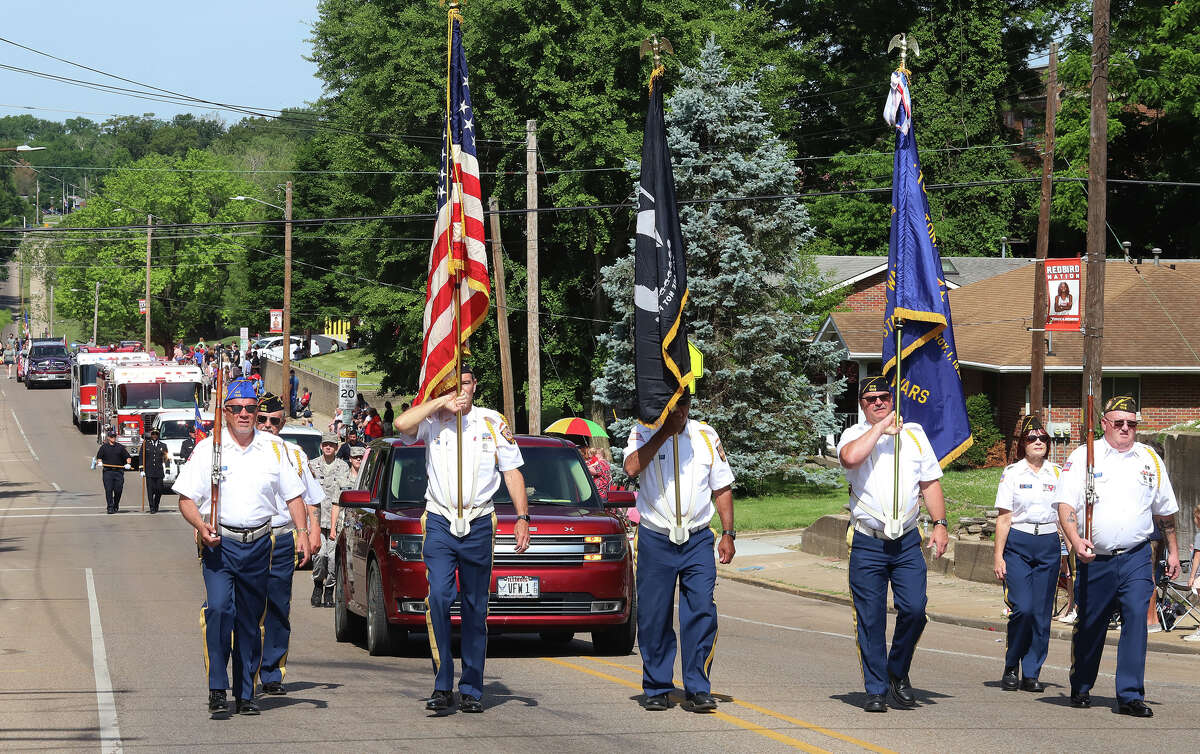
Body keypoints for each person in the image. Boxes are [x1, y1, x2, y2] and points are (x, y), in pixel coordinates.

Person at [393, 366, 530, 714]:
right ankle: (442, 682)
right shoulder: (433, 419)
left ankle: (471, 687)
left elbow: (512, 471)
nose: (461, 390)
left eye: (466, 383)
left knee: (474, 607)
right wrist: (439, 400)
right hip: (439, 519)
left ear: (475, 385)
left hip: (480, 520)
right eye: (454, 385)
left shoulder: (491, 421)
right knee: (438, 596)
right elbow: (401, 425)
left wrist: (522, 518)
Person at [173, 379, 314, 716]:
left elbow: (294, 495)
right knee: (221, 611)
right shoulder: (210, 448)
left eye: (251, 409)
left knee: (250, 621)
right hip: (220, 544)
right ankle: (218, 689)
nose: (245, 415)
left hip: (258, 544)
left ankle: (246, 691)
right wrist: (200, 525)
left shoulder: (273, 448)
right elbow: (186, 499)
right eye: (237, 409)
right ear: (226, 412)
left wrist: (303, 532)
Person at [1054, 395, 1179, 717]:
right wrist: (1075, 539)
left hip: (1136, 556)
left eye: (1132, 424)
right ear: (1106, 424)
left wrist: (1174, 552)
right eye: (1120, 422)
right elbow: (1065, 505)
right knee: (1092, 624)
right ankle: (1081, 684)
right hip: (1096, 559)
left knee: (1137, 619)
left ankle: (1130, 694)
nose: (1126, 429)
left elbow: (1165, 512)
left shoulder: (1149, 458)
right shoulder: (1085, 456)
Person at [837, 375, 949, 713]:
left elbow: (929, 483)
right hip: (868, 542)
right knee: (870, 619)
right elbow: (850, 459)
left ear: (892, 399)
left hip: (905, 542)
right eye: (871, 400)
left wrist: (941, 524)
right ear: (862, 405)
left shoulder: (913, 436)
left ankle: (897, 670)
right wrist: (880, 429)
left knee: (914, 609)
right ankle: (875, 688)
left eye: (884, 397)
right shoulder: (855, 434)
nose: (878, 403)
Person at [622, 390, 735, 713]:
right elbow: (631, 467)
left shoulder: (705, 435)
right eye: (675, 405)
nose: (681, 411)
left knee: (701, 611)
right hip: (656, 537)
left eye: (685, 404)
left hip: (698, 538)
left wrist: (728, 533)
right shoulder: (642, 431)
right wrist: (663, 433)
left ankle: (698, 687)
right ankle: (657, 686)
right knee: (654, 615)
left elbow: (722, 487)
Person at [250, 392, 323, 695]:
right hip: (250, 537)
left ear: (282, 422)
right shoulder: (242, 450)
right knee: (248, 607)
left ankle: (272, 673)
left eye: (274, 421)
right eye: (262, 419)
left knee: (278, 606)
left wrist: (314, 531)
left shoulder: (294, 454)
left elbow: (311, 498)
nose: (268, 425)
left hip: (281, 537)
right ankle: (247, 671)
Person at [992, 415, 1061, 692]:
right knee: (1023, 608)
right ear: (1023, 443)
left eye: (1043, 439)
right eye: (1032, 438)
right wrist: (998, 556)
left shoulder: (1057, 474)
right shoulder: (1012, 473)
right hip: (1018, 543)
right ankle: (1012, 664)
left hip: (1047, 543)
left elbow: (1064, 516)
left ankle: (1032, 671)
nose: (1038, 443)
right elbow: (1004, 518)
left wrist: (1071, 551)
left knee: (1042, 613)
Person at [309, 434, 353, 607]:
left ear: (336, 447)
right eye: (325, 444)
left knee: (333, 559)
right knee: (319, 556)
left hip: (335, 521)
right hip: (317, 520)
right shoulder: (312, 465)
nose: (328, 447)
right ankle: (318, 585)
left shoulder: (343, 467)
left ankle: (329, 591)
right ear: (321, 446)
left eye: (332, 445)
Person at [92, 428, 132, 514]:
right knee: (108, 490)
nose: (113, 438)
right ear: (108, 437)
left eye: (114, 436)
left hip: (119, 472)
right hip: (108, 472)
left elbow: (128, 457)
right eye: (112, 436)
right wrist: (100, 462)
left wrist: (128, 463)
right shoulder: (104, 447)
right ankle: (110, 507)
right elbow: (99, 457)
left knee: (118, 490)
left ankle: (116, 504)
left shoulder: (120, 447)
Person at [142, 428, 170, 514]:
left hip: (159, 471)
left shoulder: (163, 445)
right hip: (149, 471)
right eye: (153, 434)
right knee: (150, 490)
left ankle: (156, 504)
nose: (154, 436)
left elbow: (166, 458)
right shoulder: (145, 444)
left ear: (158, 435)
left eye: (156, 434)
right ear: (151, 435)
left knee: (159, 490)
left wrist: (168, 470)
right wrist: (141, 469)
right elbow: (141, 457)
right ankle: (151, 507)